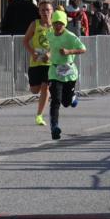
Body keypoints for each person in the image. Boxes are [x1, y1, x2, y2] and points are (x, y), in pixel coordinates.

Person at [47, 9, 87, 140]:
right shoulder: (50, 35)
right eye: (55, 23)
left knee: (66, 102)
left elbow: (83, 49)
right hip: (54, 71)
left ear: (64, 24)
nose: (58, 26)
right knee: (56, 100)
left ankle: (73, 97)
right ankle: (54, 127)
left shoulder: (70, 36)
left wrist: (69, 52)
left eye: (60, 23)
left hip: (69, 73)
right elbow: (49, 49)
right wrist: (46, 55)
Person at [23, 0, 54, 126]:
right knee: (35, 90)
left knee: (45, 87)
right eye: (42, 10)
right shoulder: (35, 24)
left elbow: (60, 43)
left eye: (47, 10)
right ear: (39, 12)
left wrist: (50, 54)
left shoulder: (56, 26)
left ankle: (39, 115)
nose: (45, 12)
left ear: (52, 11)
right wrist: (32, 52)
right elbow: (25, 41)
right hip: (36, 62)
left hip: (50, 63)